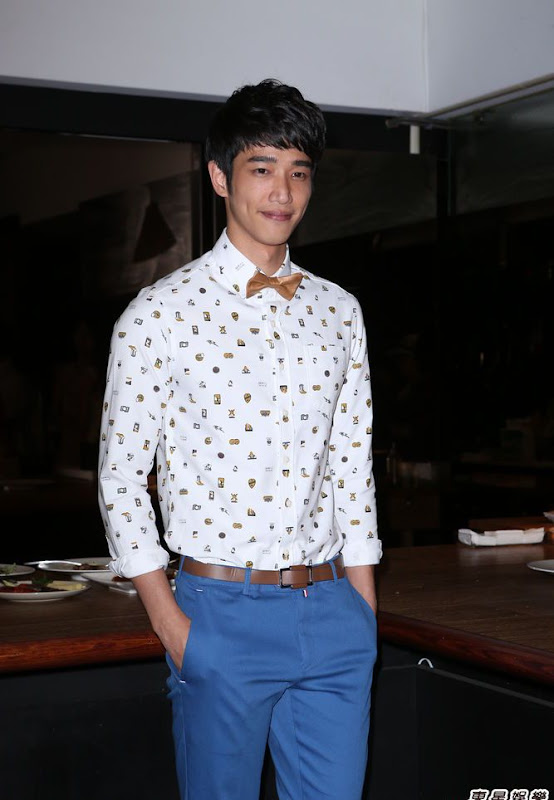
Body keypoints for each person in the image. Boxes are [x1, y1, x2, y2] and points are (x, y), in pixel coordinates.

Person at [98, 78, 382, 800]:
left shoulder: (340, 311)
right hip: (218, 614)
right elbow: (120, 480)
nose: (283, 191)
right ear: (221, 177)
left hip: (333, 613)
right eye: (262, 168)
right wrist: (174, 627)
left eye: (299, 171)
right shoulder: (158, 315)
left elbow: (351, 465)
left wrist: (363, 612)